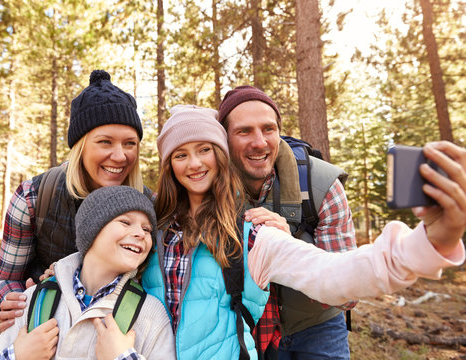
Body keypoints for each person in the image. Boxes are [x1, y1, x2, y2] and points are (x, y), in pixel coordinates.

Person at [142, 104, 465, 360]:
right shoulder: (149, 228)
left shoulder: (252, 231)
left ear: (221, 157)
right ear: (168, 165)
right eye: (180, 155)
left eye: (205, 149)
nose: (194, 163)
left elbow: (334, 273)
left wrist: (429, 242)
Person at [0, 69, 148, 332]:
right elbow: (6, 279)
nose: (120, 156)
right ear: (80, 145)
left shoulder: (147, 206)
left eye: (130, 143)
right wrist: (16, 302)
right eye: (105, 142)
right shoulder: (33, 197)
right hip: (46, 333)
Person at [218, 85, 357, 359]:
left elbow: (346, 294)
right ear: (224, 139)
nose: (259, 142)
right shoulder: (208, 187)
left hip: (317, 326)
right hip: (245, 325)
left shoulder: (322, 185)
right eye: (244, 131)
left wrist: (288, 247)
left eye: (268, 129)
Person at [0, 185, 175, 360]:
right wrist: (17, 356)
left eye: (147, 229)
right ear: (92, 230)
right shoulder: (36, 300)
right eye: (125, 222)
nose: (141, 234)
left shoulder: (150, 314)